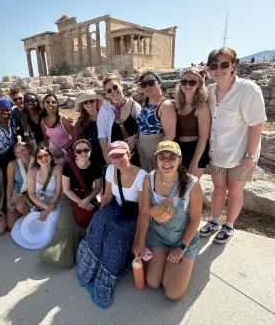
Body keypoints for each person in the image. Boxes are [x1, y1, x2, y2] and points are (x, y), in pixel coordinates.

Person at [199, 47, 267, 244]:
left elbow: (256, 124)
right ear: (209, 69)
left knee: (235, 191)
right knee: (218, 189)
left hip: (241, 153)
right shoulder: (210, 92)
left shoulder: (248, 90)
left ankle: (229, 224)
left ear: (233, 66)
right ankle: (213, 220)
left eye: (224, 64)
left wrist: (250, 155)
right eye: (214, 65)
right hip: (218, 152)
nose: (219, 69)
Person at [77, 140, 147, 308]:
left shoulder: (142, 176)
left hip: (132, 213)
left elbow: (144, 210)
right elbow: (107, 195)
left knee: (115, 236)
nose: (116, 159)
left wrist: (140, 241)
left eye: (120, 155)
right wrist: (100, 215)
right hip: (115, 206)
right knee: (99, 221)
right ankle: (90, 269)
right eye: (112, 156)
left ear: (129, 154)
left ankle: (106, 275)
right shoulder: (110, 169)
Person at [134, 141, 202, 300]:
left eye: (172, 157)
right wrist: (141, 242)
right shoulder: (149, 179)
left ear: (180, 160)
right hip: (158, 235)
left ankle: (177, 261)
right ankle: (164, 259)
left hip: (182, 239)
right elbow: (144, 213)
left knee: (172, 293)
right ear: (155, 160)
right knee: (152, 282)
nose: (166, 161)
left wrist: (181, 248)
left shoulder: (192, 184)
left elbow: (195, 220)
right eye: (162, 157)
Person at [38, 139, 102, 269]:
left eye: (86, 150)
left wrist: (87, 200)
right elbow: (66, 190)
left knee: (90, 226)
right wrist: (80, 202)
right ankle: (59, 256)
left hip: (88, 198)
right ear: (75, 153)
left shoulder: (96, 167)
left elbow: (97, 189)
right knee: (65, 224)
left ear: (90, 151)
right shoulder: (69, 166)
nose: (83, 153)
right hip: (71, 199)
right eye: (79, 151)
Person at [10, 146, 62, 250]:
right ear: (37, 160)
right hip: (39, 202)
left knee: (51, 220)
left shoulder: (58, 169)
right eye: (40, 157)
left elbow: (58, 191)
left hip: (54, 201)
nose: (43, 159)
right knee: (36, 222)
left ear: (50, 156)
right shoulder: (32, 172)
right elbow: (31, 194)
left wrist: (48, 210)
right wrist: (45, 208)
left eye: (46, 155)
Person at [136, 70, 176, 171]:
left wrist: (158, 154)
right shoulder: (146, 103)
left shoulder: (165, 105)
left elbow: (170, 135)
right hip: (143, 148)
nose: (147, 87)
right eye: (143, 84)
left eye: (151, 83)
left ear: (159, 83)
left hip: (156, 147)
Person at [97, 73, 141, 165]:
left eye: (115, 87)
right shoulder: (104, 110)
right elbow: (102, 136)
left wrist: (135, 137)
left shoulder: (134, 106)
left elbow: (141, 129)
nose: (113, 91)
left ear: (121, 86)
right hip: (114, 157)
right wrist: (106, 157)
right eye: (109, 90)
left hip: (133, 155)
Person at [175, 67, 211, 178]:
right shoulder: (178, 104)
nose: (187, 85)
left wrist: (194, 161)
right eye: (184, 82)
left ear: (199, 84)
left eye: (192, 82)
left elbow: (203, 138)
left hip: (195, 150)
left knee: (190, 188)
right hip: (178, 149)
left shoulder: (202, 107)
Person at [6, 141, 35, 230]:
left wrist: (21, 195)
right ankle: (23, 213)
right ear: (15, 154)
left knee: (21, 207)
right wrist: (8, 202)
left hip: (32, 191)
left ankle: (28, 213)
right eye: (18, 152)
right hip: (17, 191)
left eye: (23, 150)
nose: (21, 154)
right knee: (11, 226)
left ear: (29, 149)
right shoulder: (12, 164)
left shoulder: (36, 161)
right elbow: (10, 184)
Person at [73, 90, 105, 165]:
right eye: (86, 102)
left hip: (107, 155)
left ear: (96, 102)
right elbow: (76, 141)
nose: (89, 104)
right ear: (83, 105)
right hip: (90, 160)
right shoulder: (81, 123)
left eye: (91, 101)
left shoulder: (105, 117)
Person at [40, 94, 73, 164]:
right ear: (43, 104)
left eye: (53, 102)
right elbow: (46, 138)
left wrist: (63, 150)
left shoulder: (63, 119)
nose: (50, 104)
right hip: (54, 152)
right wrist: (48, 151)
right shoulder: (43, 121)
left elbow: (74, 137)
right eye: (48, 102)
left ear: (57, 104)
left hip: (67, 151)